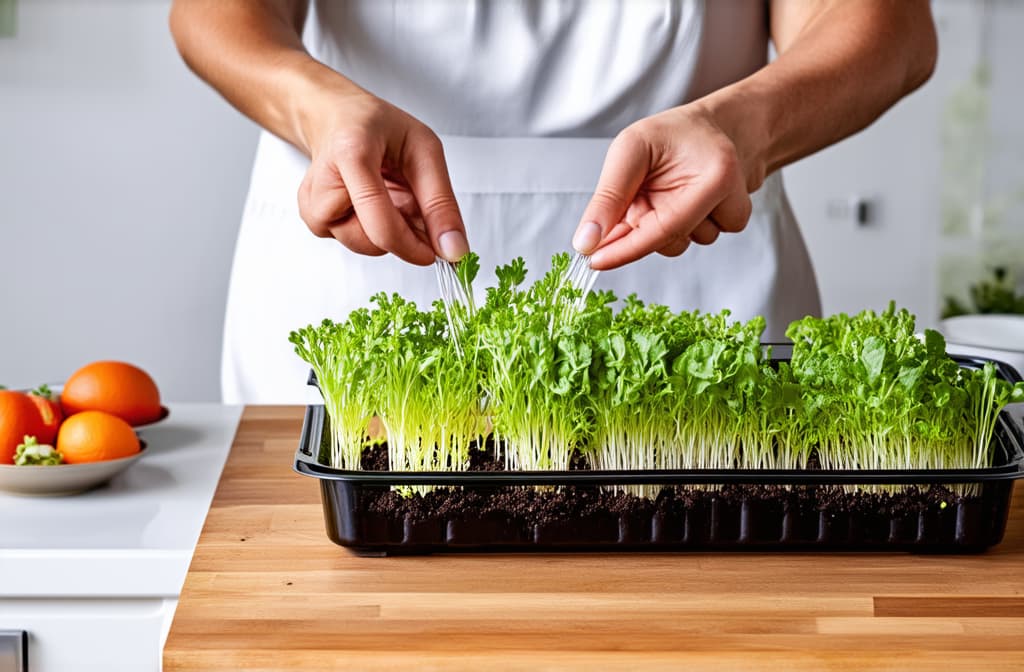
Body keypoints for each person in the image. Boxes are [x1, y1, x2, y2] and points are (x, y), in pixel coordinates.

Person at [170, 0, 937, 404]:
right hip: (363, 237)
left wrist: (744, 127)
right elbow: (211, 11)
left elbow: (888, 27)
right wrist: (315, 109)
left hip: (692, 253)